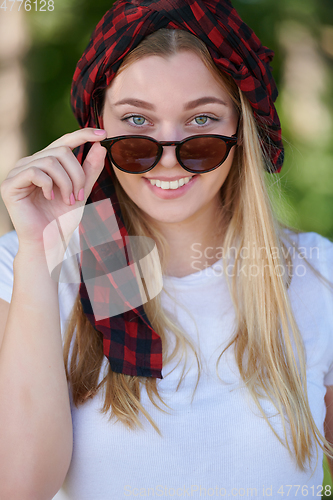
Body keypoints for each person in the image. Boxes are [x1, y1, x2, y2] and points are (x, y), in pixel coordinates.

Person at [0, 0, 333, 498]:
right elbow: (18, 487)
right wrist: (36, 251)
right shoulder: (24, 265)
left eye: (201, 121)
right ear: (96, 129)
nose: (169, 157)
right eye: (137, 120)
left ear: (242, 130)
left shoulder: (319, 274)